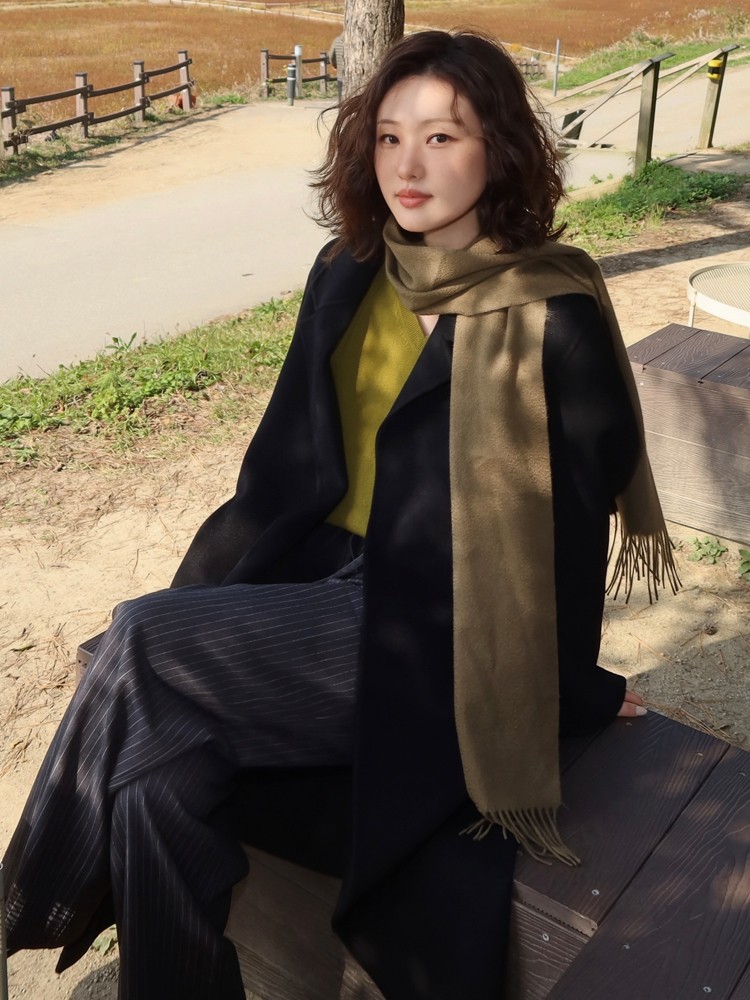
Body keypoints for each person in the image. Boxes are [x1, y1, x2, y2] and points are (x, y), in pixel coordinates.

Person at [2, 29, 677, 1000]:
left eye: (443, 137)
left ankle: (20, 909)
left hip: (440, 627)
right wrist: (202, 601)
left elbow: (568, 539)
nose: (409, 164)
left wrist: (574, 691)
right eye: (390, 136)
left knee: (140, 641)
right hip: (312, 588)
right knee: (155, 774)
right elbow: (276, 476)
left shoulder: (550, 314)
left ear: (498, 151)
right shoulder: (350, 270)